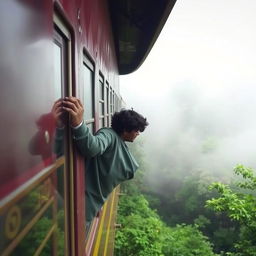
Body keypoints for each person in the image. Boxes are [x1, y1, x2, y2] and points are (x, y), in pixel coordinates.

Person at [52, 96, 148, 225]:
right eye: (137, 130)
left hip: (85, 205)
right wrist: (78, 124)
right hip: (79, 204)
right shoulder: (109, 135)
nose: (138, 133)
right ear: (125, 130)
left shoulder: (118, 142)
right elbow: (94, 147)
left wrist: (98, 203)